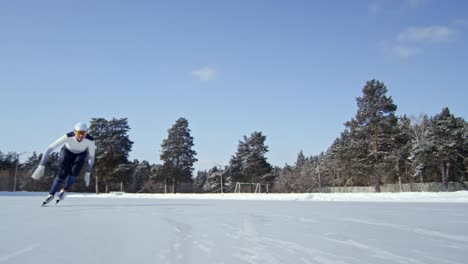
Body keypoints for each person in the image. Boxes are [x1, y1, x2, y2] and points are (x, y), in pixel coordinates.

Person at [32, 122, 96, 205]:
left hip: (81, 154)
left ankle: (64, 190)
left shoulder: (90, 140)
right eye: (79, 133)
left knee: (75, 171)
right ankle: (51, 194)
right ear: (74, 132)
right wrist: (41, 165)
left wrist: (88, 172)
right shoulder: (68, 136)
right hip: (67, 152)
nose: (81, 136)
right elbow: (49, 149)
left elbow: (92, 157)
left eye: (84, 133)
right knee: (63, 172)